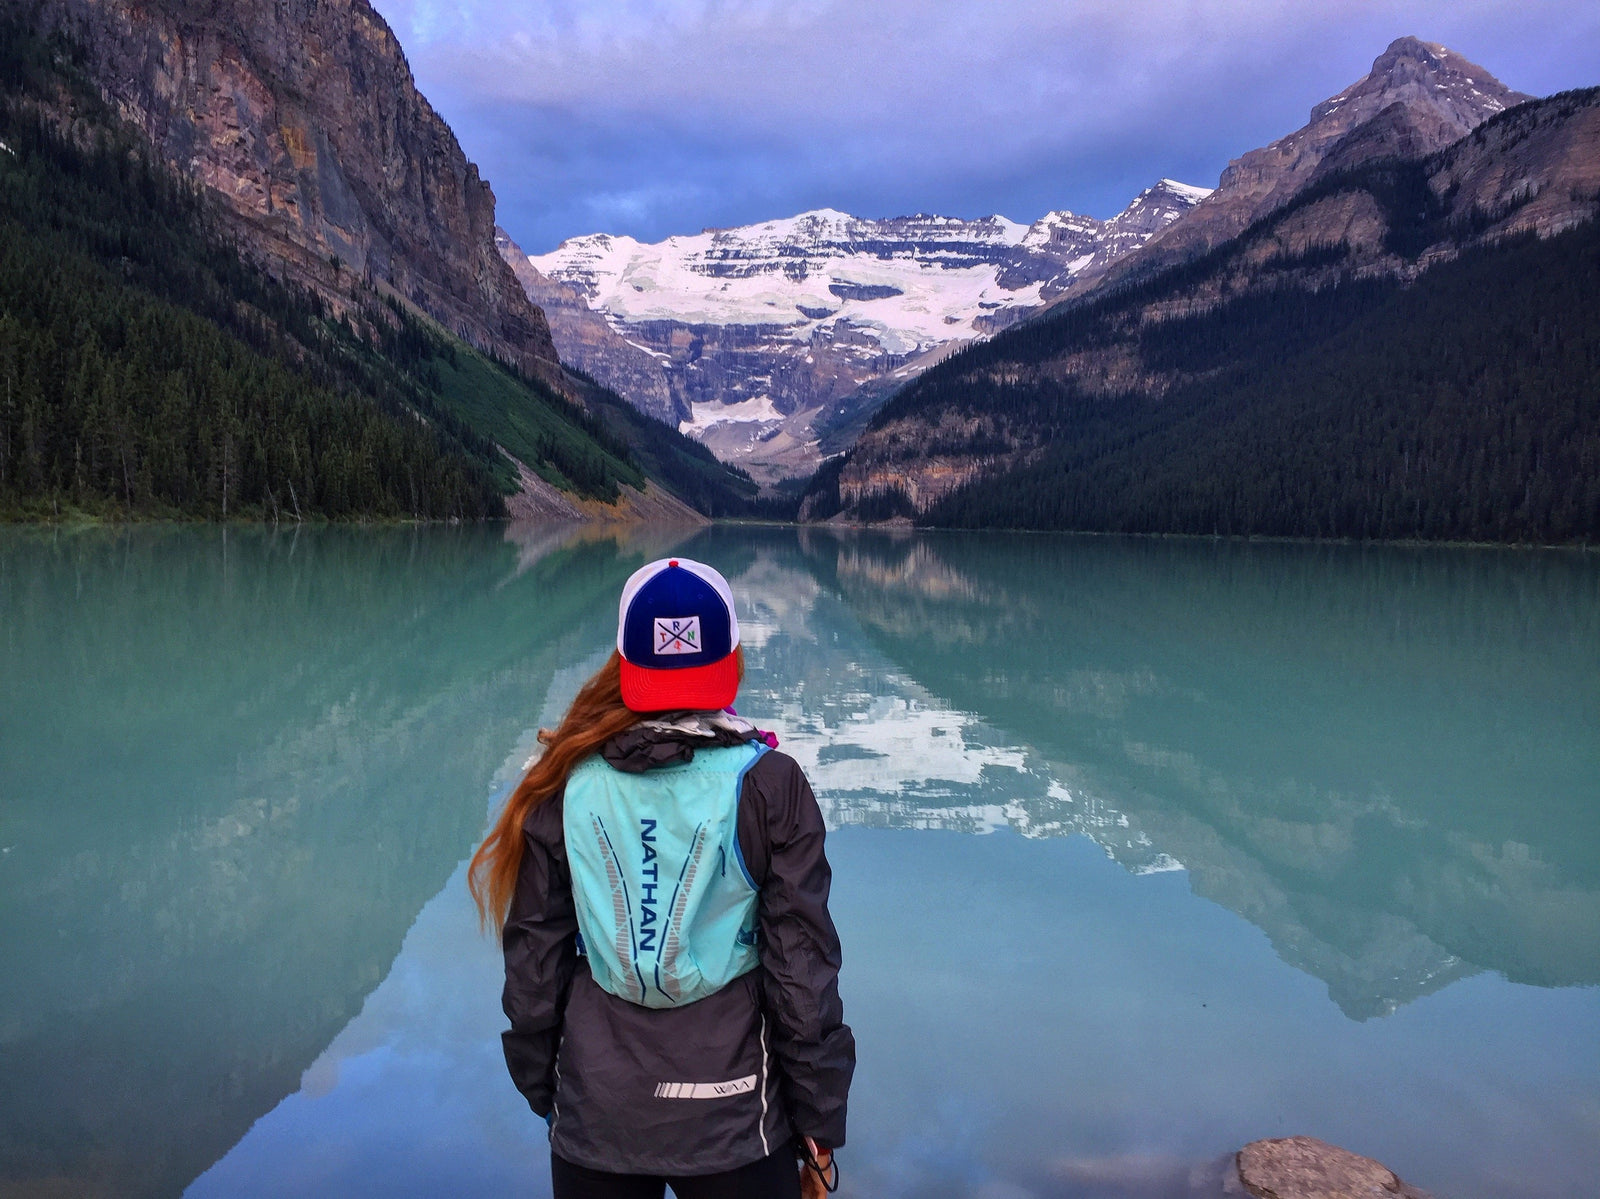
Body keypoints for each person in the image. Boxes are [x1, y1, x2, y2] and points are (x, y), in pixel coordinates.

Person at [471, 557, 854, 1199]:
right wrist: (817, 1121)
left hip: (597, 1112)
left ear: (625, 664)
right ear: (731, 660)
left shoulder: (562, 783)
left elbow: (533, 959)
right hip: (737, 1119)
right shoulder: (769, 785)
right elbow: (801, 969)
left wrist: (547, 1086)